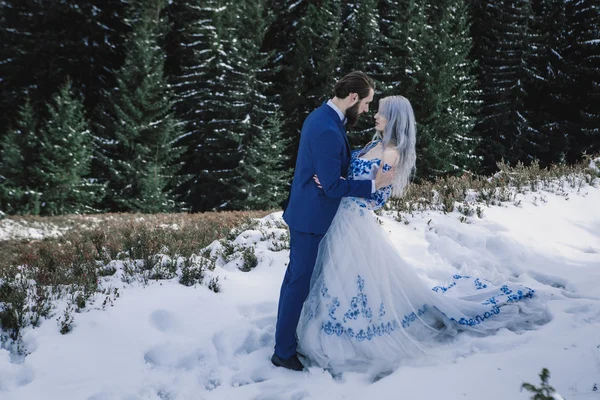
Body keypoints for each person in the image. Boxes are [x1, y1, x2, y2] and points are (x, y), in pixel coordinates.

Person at [296, 95, 548, 373]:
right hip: (338, 217)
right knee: (334, 276)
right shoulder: (374, 144)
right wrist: (331, 178)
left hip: (354, 223)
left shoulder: (391, 153)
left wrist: (354, 186)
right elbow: (347, 174)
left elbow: (379, 193)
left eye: (381, 113)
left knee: (348, 278)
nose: (375, 116)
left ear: (394, 119)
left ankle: (349, 333)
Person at [272, 71, 396, 371]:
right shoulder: (328, 128)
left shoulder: (321, 116)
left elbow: (329, 176)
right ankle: (283, 351)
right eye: (366, 103)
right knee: (298, 283)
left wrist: (331, 177)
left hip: (305, 208)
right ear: (352, 98)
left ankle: (283, 339)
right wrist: (373, 185)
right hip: (311, 215)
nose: (366, 110)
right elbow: (333, 187)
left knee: (294, 280)